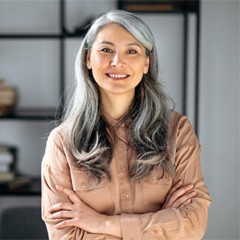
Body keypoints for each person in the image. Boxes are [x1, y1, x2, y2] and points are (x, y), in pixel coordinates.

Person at [41, 10, 211, 240]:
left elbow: (194, 225)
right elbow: (65, 236)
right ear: (88, 59)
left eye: (132, 51)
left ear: (146, 63)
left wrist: (102, 223)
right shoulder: (62, 142)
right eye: (106, 50)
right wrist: (162, 221)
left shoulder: (177, 130)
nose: (117, 62)